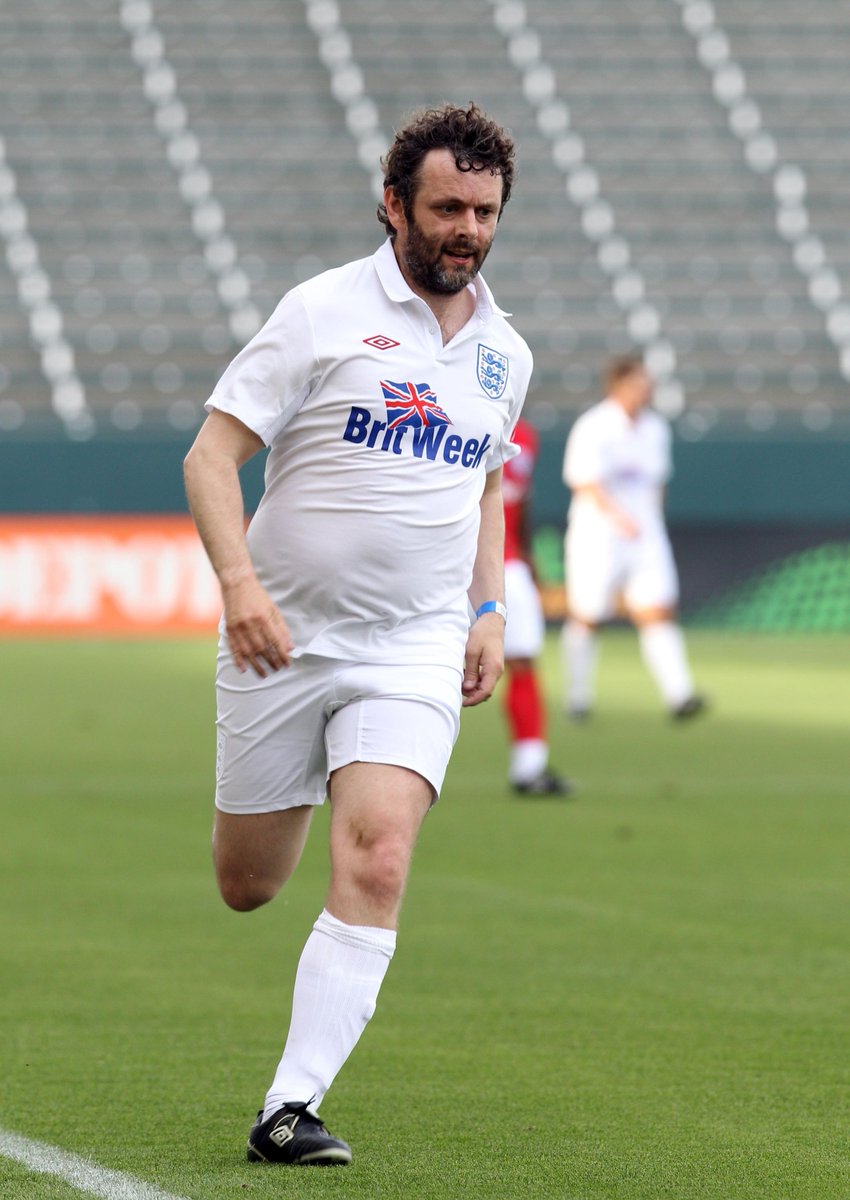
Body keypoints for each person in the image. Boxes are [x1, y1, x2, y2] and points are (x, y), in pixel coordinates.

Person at [183, 104, 530, 1167]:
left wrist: (487, 611)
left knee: (377, 858)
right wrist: (239, 587)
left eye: (483, 211)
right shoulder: (321, 313)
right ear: (394, 205)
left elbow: (480, 488)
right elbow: (208, 458)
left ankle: (290, 1106)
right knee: (249, 884)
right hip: (281, 639)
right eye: (445, 207)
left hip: (413, 646)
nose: (465, 228)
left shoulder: (503, 353)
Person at [561, 354, 706, 721]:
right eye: (639, 382)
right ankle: (577, 697)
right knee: (588, 615)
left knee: (657, 611)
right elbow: (585, 483)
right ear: (619, 385)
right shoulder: (594, 426)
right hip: (599, 535)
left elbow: (657, 482)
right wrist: (619, 518)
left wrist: (648, 520)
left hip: (644, 536)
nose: (647, 389)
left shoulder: (656, 428)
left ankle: (680, 694)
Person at [501, 417, 572, 795]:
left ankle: (529, 767)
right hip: (452, 560)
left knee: (522, 658)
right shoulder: (451, 409)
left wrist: (527, 553)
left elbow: (520, 497)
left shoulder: (526, 433)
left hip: (508, 561)